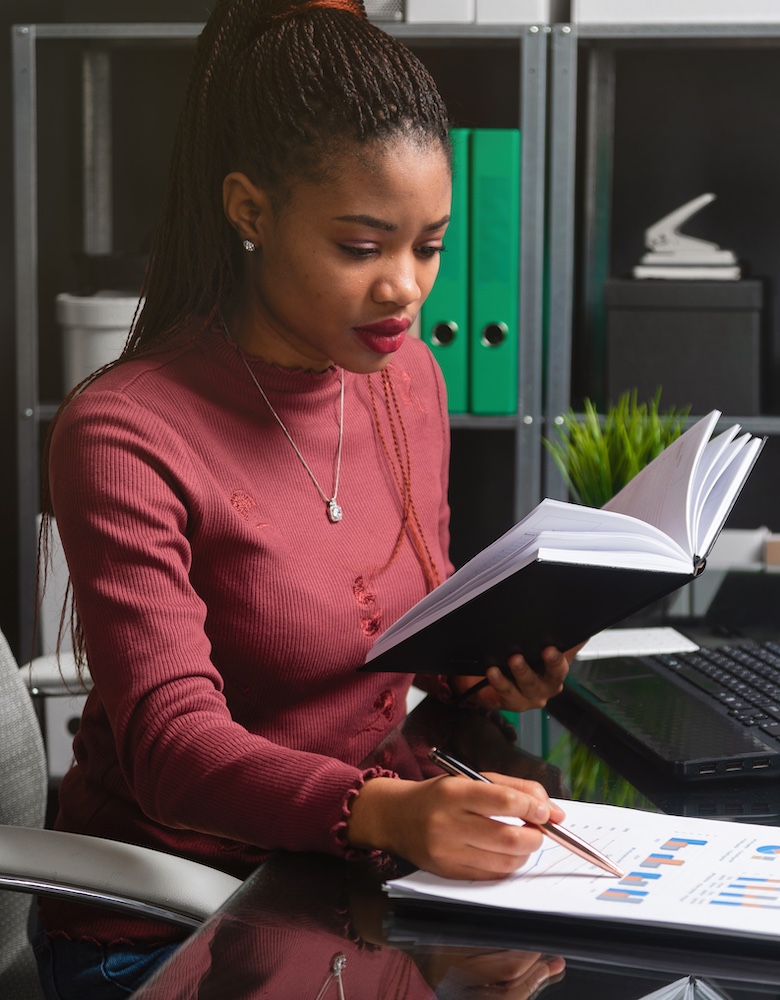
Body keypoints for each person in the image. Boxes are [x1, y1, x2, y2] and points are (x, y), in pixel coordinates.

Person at [33, 1, 570, 995]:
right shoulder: (123, 430)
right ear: (250, 211)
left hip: (348, 882)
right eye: (362, 246)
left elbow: (415, 620)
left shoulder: (409, 379)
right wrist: (389, 815)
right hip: (168, 917)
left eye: (429, 246)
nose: (405, 290)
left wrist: (486, 673)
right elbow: (173, 751)